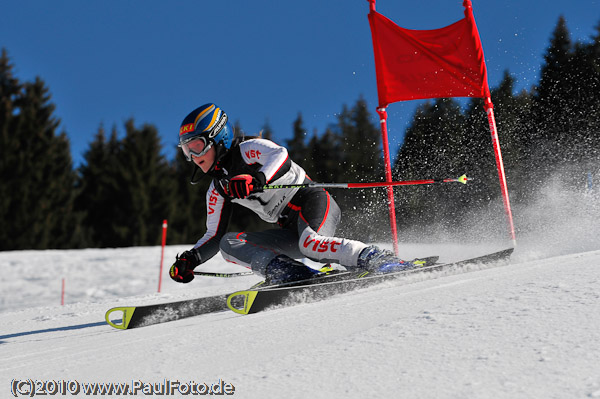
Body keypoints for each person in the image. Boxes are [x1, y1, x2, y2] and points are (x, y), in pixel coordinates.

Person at [169, 103, 426, 285]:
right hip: (287, 227)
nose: (193, 158)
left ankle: (375, 257)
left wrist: (257, 178)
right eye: (186, 151)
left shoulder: (247, 149)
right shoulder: (217, 189)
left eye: (197, 147)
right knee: (229, 244)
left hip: (312, 200)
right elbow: (213, 235)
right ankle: (290, 272)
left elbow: (280, 155)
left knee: (310, 244)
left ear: (218, 139)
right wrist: (190, 259)